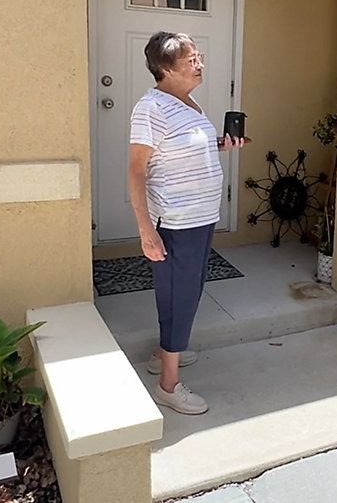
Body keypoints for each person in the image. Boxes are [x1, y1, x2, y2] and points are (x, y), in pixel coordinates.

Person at [129, 31, 244, 415]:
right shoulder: (152, 107)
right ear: (165, 68)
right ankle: (168, 384)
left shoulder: (188, 104)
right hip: (176, 221)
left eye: (199, 56)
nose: (199, 63)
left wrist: (219, 146)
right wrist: (146, 230)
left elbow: (180, 152)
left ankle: (164, 353)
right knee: (178, 296)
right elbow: (136, 171)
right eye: (190, 59)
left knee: (191, 290)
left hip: (200, 217)